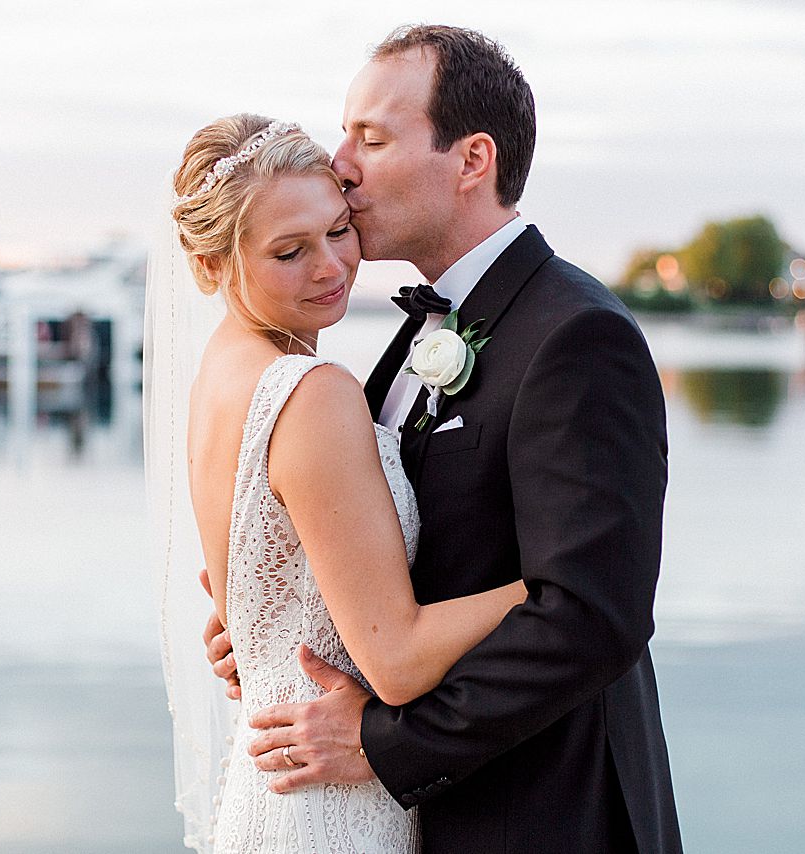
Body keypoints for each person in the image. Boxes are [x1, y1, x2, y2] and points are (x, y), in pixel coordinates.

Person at [208, 25, 683, 853]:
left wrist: (382, 744)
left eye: (373, 137)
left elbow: (592, 615)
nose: (341, 162)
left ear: (471, 160)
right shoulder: (407, 342)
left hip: (540, 817)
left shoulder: (577, 336)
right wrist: (278, 616)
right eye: (345, 131)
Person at [146, 114, 527, 852]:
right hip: (330, 799)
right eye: (290, 252)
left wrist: (250, 641)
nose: (330, 267)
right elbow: (398, 656)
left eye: (337, 231)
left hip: (275, 783)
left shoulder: (220, 377)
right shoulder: (310, 392)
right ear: (209, 266)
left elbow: (262, 601)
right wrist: (548, 584)